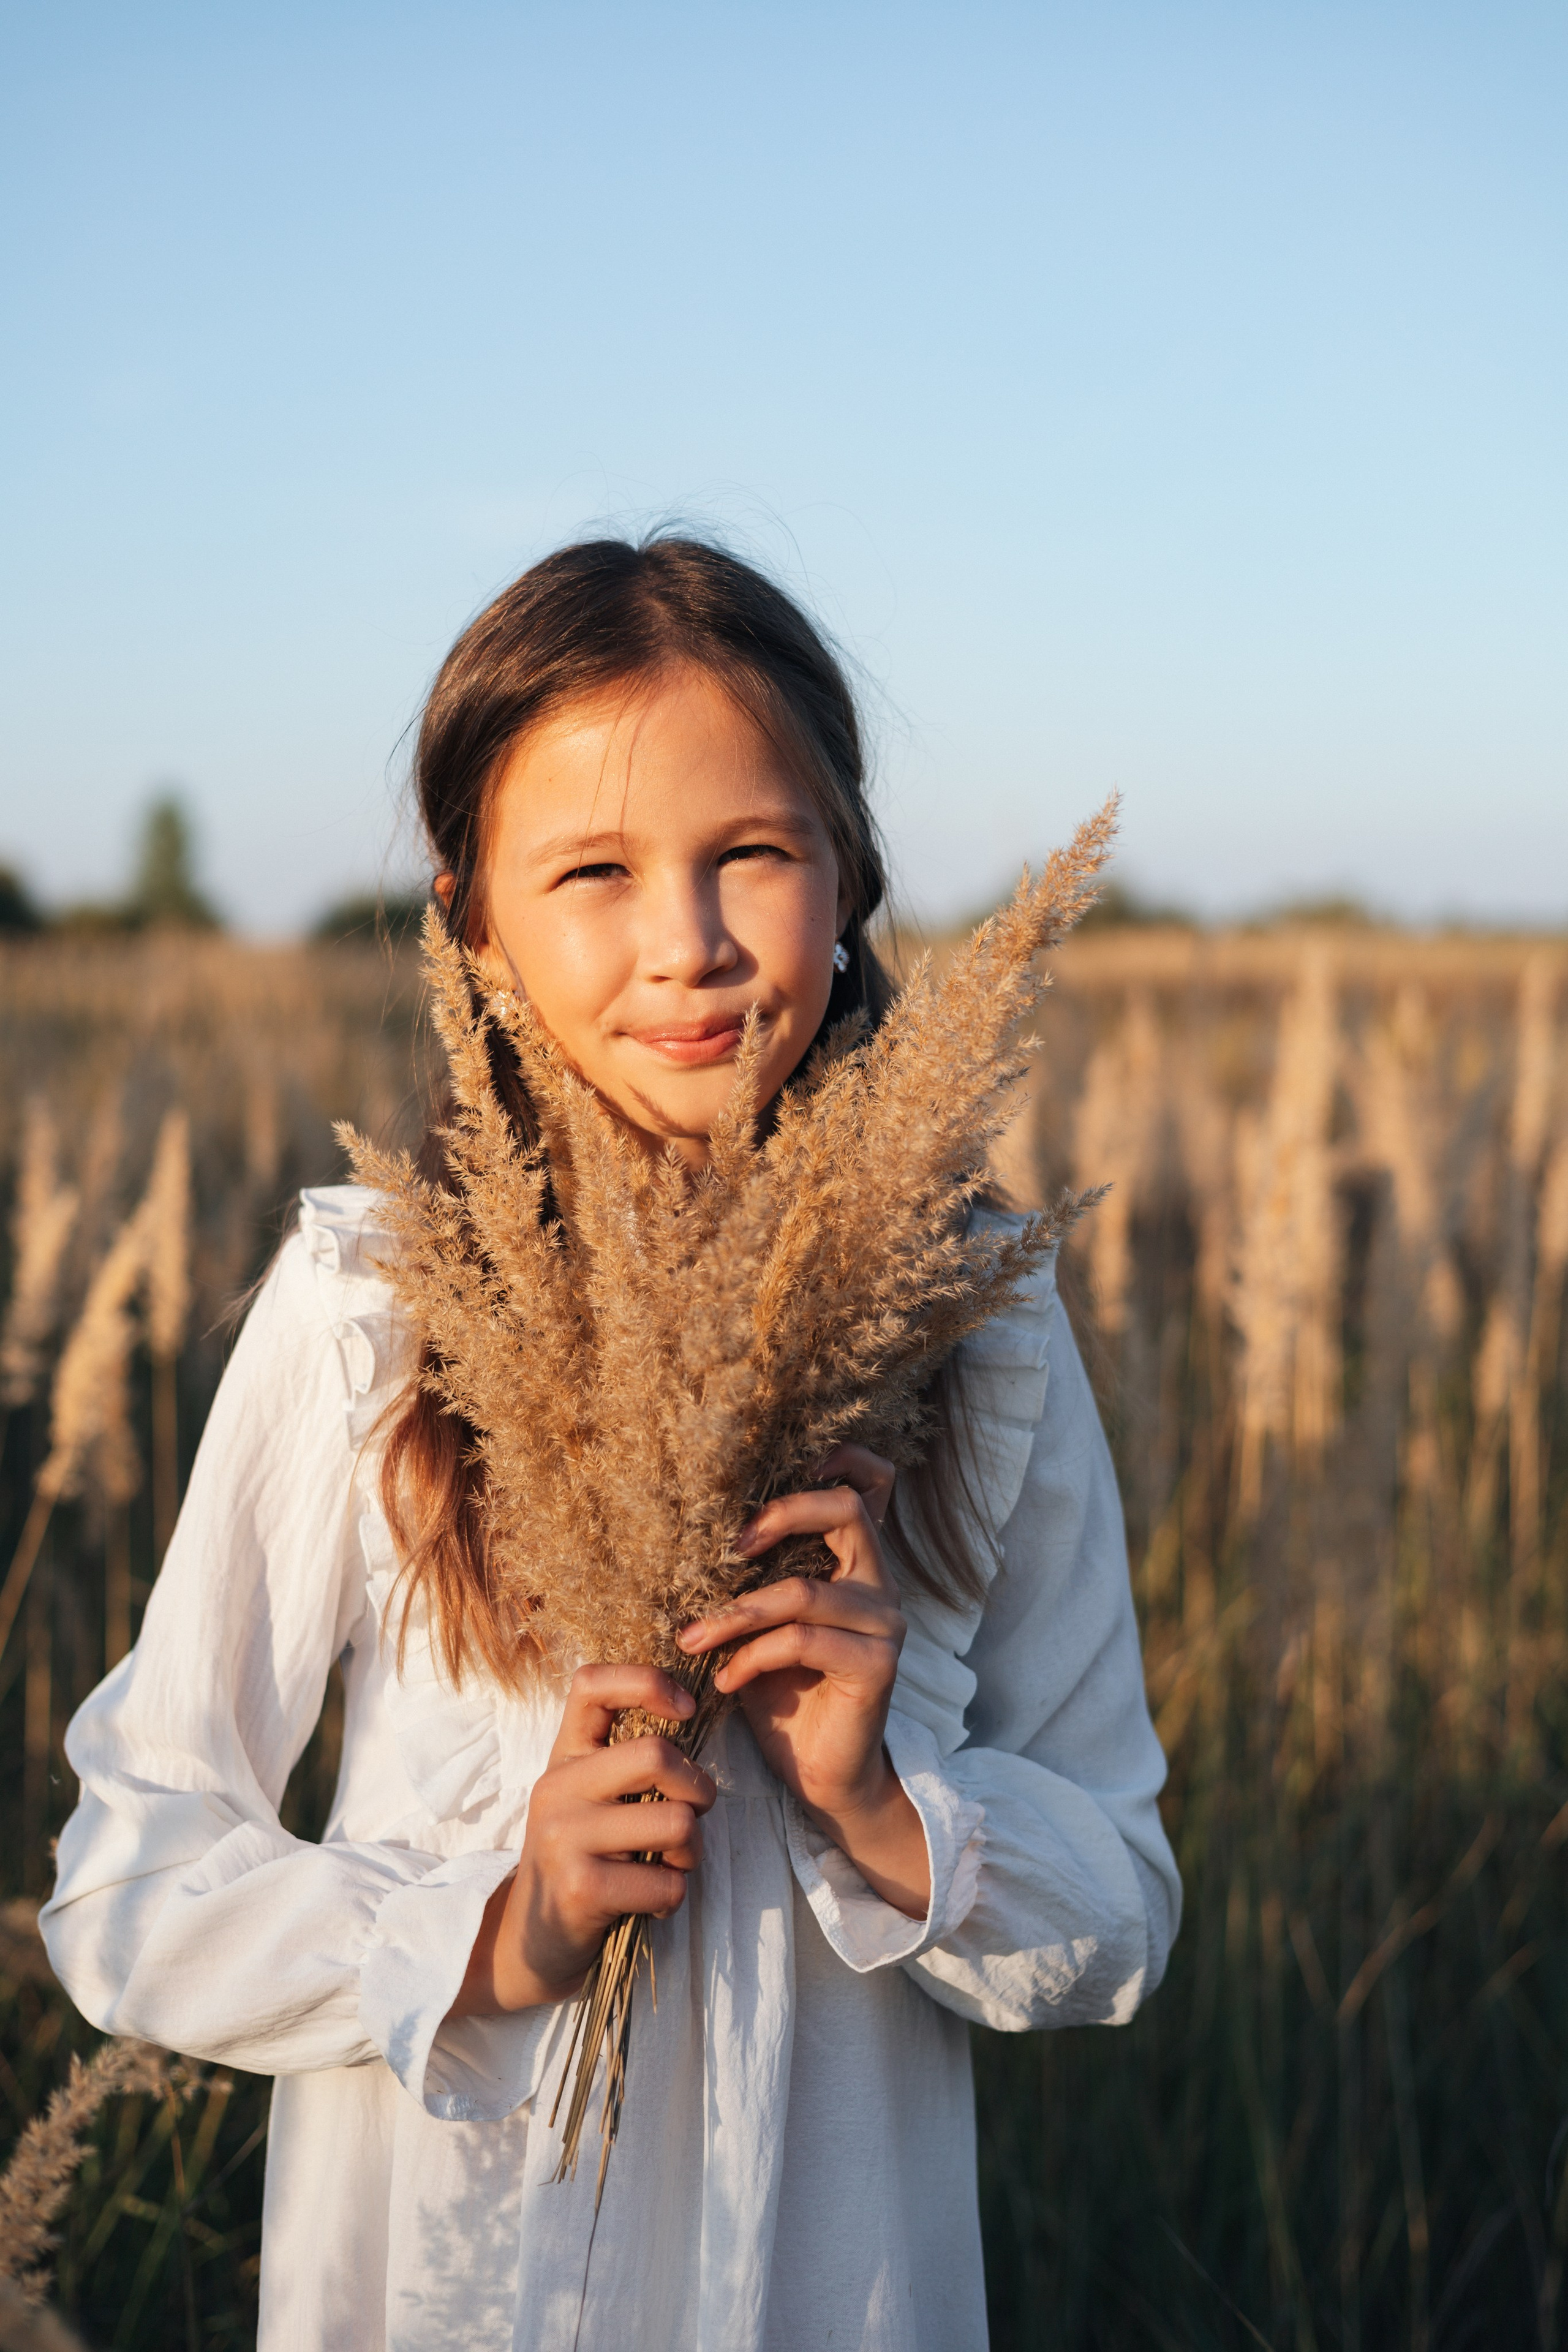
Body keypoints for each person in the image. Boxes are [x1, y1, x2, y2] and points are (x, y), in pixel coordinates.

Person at [41, 537, 1180, 2351]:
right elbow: (133, 1884)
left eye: (754, 853)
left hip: (835, 2287)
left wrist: (885, 1810)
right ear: (470, 924)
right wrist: (495, 1935)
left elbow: (1120, 1909)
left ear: (849, 874)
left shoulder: (979, 1315)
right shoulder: (374, 1300)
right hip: (448, 2285)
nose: (691, 947)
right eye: (592, 872)